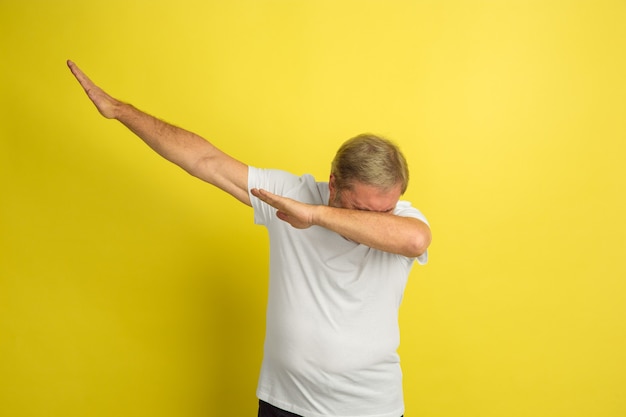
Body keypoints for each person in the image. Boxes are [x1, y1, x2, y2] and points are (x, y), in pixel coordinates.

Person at [67, 60, 432, 417]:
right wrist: (120, 110)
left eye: (386, 210)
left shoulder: (400, 221)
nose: (377, 220)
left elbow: (416, 241)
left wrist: (315, 216)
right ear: (334, 183)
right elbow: (205, 160)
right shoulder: (290, 194)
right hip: (284, 404)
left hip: (369, 409)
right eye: (362, 209)